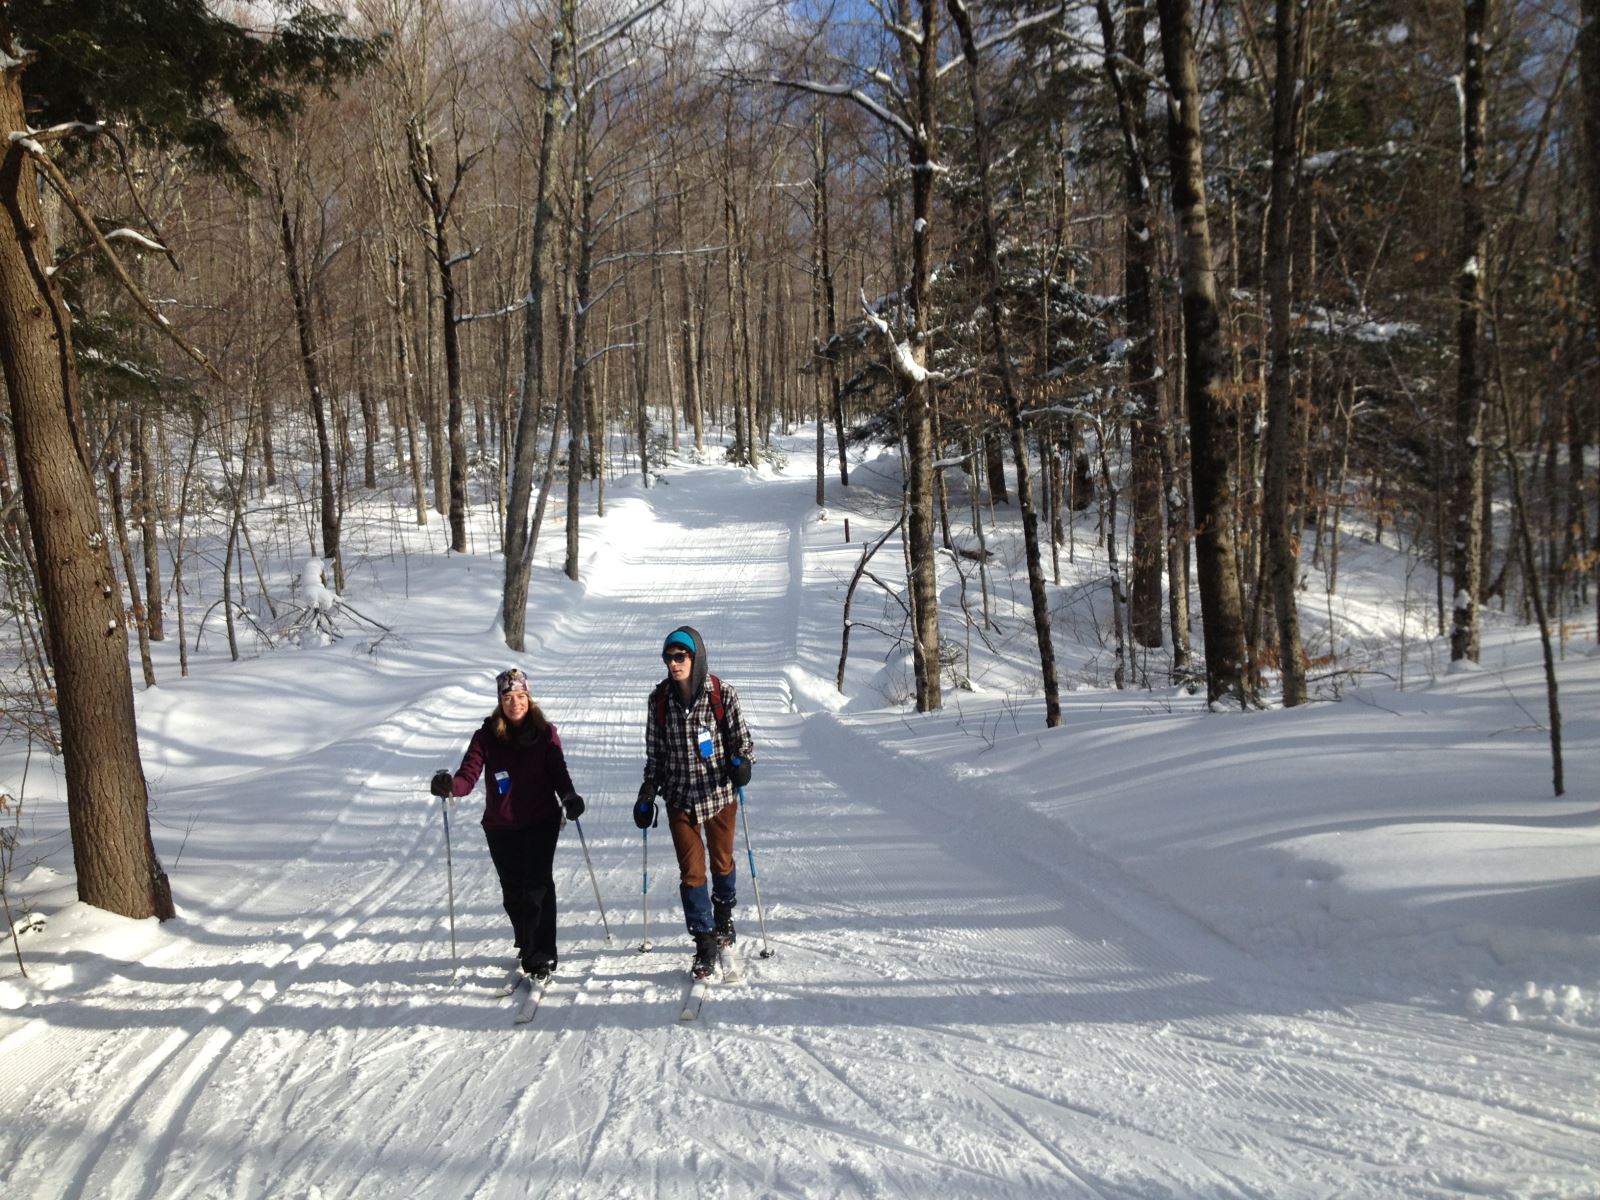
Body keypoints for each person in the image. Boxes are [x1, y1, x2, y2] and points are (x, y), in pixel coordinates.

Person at [431, 668, 585, 985]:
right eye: (507, 697)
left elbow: (559, 771)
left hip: (542, 820)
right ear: (500, 701)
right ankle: (526, 939)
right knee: (513, 893)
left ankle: (540, 956)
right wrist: (449, 787)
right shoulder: (486, 736)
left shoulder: (545, 732)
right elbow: (468, 776)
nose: (514, 702)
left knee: (538, 886)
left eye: (520, 696)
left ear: (528, 697)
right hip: (501, 826)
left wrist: (569, 796)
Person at [636, 626, 755, 979]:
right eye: (668, 658)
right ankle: (703, 940)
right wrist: (647, 790)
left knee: (722, 862)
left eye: (680, 657)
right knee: (691, 872)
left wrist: (743, 763)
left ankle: (723, 917)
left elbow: (742, 741)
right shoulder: (659, 700)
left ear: (695, 657)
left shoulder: (721, 694)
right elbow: (655, 755)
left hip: (718, 794)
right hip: (679, 797)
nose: (673, 664)